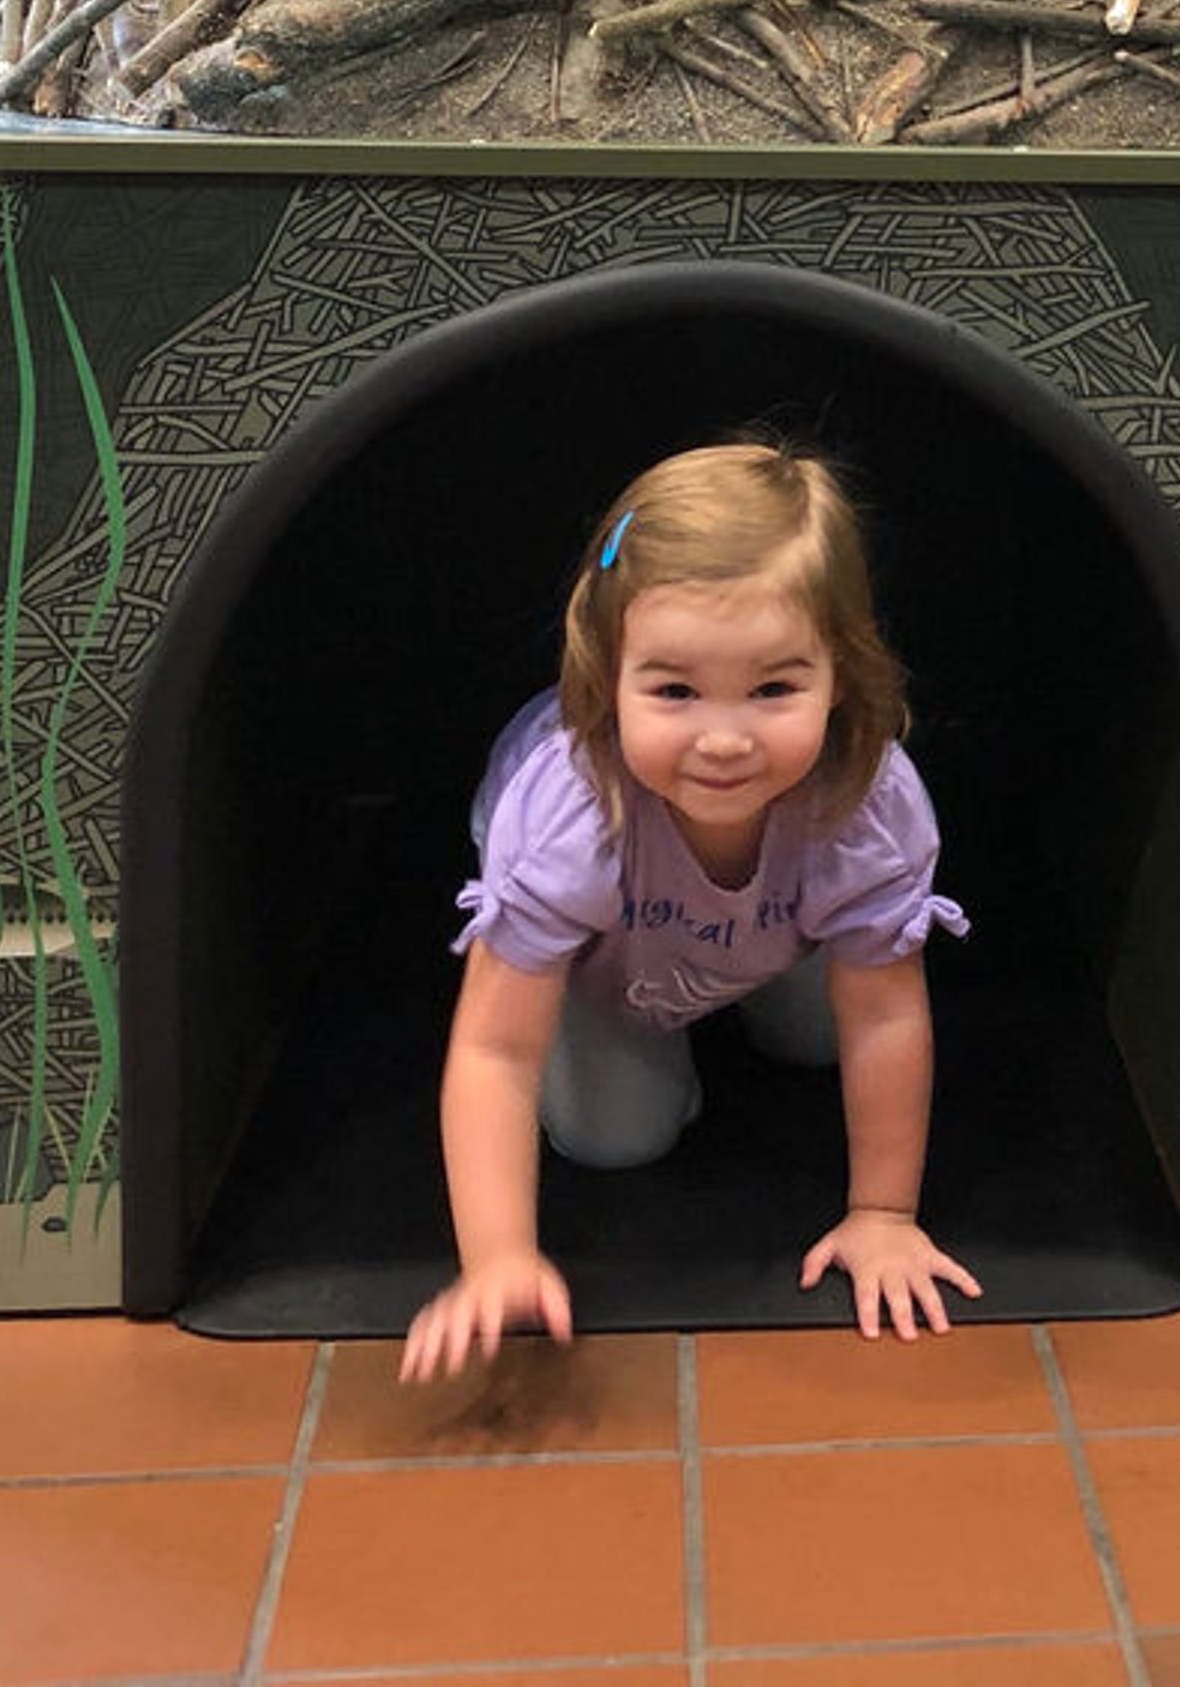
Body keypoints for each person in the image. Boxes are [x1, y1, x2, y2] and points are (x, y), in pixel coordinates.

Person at [400, 441, 980, 1376]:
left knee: (826, 1039)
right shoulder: (571, 820)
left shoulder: (862, 802)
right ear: (604, 680)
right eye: (673, 690)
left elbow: (884, 1017)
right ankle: (653, 1033)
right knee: (616, 1141)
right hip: (605, 959)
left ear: (842, 675)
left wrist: (884, 1216)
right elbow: (493, 1048)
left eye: (774, 689)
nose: (723, 738)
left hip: (764, 925)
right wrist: (497, 1258)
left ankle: (749, 986)